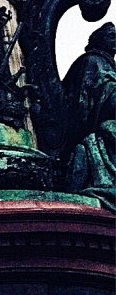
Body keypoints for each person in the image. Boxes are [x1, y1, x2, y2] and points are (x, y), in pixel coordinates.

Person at [61, 22, 116, 210]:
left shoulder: (105, 63)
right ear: (99, 41)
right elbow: (83, 100)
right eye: (111, 36)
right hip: (90, 128)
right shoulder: (92, 61)